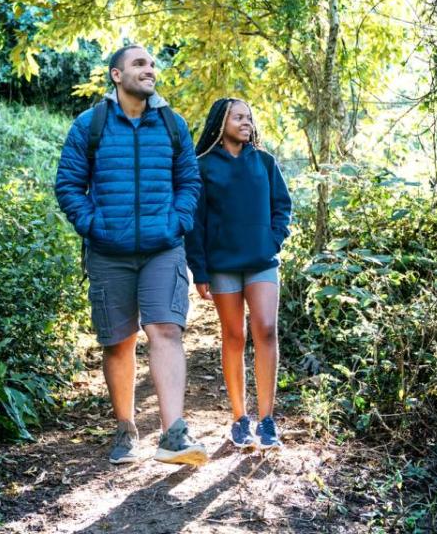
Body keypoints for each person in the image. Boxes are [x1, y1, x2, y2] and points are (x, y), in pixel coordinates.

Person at [54, 44, 209, 466]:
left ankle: (173, 433)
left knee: (166, 330)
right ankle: (125, 427)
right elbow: (68, 185)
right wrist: (94, 225)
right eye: (140, 63)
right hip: (109, 252)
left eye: (152, 64)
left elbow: (189, 181)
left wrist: (176, 222)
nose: (150, 70)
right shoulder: (91, 125)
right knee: (118, 342)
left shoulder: (173, 125)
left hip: (163, 248)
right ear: (116, 75)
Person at [185, 98, 292, 450]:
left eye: (249, 117)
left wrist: (272, 240)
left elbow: (282, 207)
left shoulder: (264, 161)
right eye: (238, 117)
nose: (246, 122)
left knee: (265, 330)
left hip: (261, 261)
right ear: (221, 121)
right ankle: (239, 420)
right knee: (234, 336)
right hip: (222, 265)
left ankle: (267, 421)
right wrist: (199, 269)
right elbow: (195, 223)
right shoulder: (202, 166)